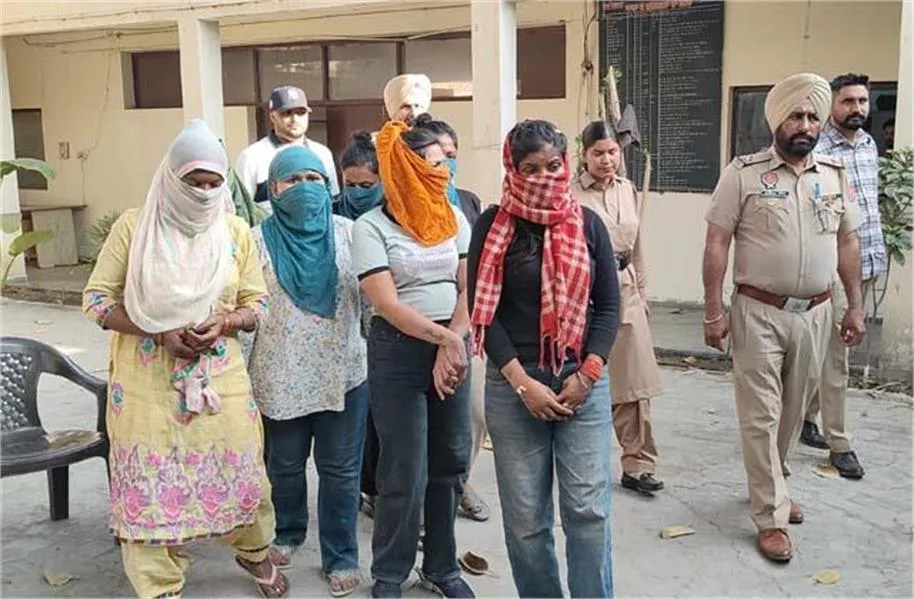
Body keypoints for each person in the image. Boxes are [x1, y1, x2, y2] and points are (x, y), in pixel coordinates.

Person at [81, 120, 287, 598]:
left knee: (242, 472)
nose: (205, 193)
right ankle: (159, 584)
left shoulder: (234, 231)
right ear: (171, 178)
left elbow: (257, 303)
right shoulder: (135, 228)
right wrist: (157, 329)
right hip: (146, 385)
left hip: (220, 379)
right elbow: (95, 301)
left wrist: (226, 322)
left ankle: (253, 551)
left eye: (215, 184)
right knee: (151, 482)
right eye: (194, 183)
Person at [702, 73, 866, 563]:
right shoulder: (743, 174)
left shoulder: (834, 175)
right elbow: (717, 243)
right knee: (761, 415)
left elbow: (847, 243)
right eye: (796, 115)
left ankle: (772, 484)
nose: (806, 125)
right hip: (758, 312)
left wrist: (855, 305)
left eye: (814, 116)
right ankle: (770, 514)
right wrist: (713, 310)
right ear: (777, 120)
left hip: (816, 313)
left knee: (793, 415)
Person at [468, 119, 620, 598]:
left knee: (588, 513)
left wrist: (588, 374)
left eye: (553, 165)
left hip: (581, 383)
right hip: (514, 389)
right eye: (530, 168)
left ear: (566, 164)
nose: (543, 177)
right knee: (526, 522)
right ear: (512, 169)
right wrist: (522, 383)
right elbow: (484, 315)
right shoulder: (493, 226)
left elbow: (608, 307)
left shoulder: (587, 223)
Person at [353, 120, 475, 599]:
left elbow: (469, 287)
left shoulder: (453, 217)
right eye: (433, 165)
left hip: (453, 348)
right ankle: (390, 572)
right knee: (404, 467)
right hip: (398, 353)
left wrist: (453, 341)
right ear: (404, 170)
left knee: (449, 461)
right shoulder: (371, 227)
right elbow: (386, 303)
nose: (443, 174)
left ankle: (441, 568)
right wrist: (444, 339)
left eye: (445, 164)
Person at [245, 145, 368, 597]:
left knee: (341, 471)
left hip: (344, 374)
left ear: (328, 185)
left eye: (313, 180)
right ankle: (288, 530)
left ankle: (341, 555)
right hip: (278, 375)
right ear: (273, 189)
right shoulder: (254, 241)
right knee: (284, 465)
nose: (304, 188)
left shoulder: (351, 234)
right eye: (292, 181)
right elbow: (246, 308)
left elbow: (372, 301)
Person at [571, 121, 664, 495]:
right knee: (583, 376)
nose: (606, 160)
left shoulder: (627, 189)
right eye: (598, 153)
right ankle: (579, 464)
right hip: (585, 291)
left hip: (625, 290)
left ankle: (638, 464)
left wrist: (642, 291)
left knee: (634, 381)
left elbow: (637, 246)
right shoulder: (571, 194)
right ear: (584, 155)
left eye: (612, 152)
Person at [800, 73, 884, 481]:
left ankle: (806, 417)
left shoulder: (868, 145)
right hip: (833, 268)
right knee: (838, 360)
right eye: (848, 101)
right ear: (832, 104)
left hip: (865, 263)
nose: (857, 108)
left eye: (862, 101)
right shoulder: (818, 150)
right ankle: (840, 444)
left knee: (831, 355)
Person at [412, 113, 488, 521]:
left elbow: (475, 273)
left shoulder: (469, 204)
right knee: (417, 422)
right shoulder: (397, 209)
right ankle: (409, 494)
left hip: (466, 324)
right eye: (439, 155)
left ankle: (460, 482)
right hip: (413, 330)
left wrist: (458, 335)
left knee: (471, 414)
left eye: (452, 155)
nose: (446, 164)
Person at [235, 85, 339, 215]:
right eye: (287, 113)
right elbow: (243, 208)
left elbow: (332, 200)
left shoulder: (322, 153)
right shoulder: (252, 156)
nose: (295, 119)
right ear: (273, 116)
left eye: (301, 112)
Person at [336, 131, 384, 221]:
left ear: (382, 180)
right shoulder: (331, 213)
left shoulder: (396, 216)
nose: (358, 192)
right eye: (350, 185)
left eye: (365, 186)